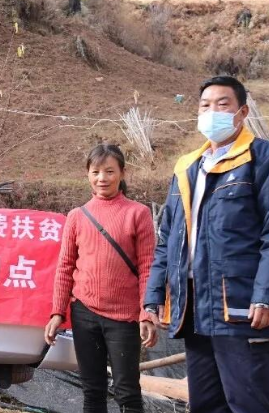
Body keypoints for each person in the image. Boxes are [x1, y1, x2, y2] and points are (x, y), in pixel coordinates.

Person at [144, 75, 269, 413]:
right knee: (205, 403)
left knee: (248, 402)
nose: (212, 112)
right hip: (193, 306)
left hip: (240, 306)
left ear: (242, 112)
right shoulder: (187, 167)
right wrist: (154, 297)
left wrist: (266, 294)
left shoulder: (263, 159)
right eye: (205, 106)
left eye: (222, 104)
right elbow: (167, 240)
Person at [45, 144, 157, 413]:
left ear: (122, 173)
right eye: (95, 172)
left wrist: (147, 312)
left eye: (109, 171)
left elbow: (147, 268)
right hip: (85, 313)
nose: (102, 178)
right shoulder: (77, 216)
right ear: (87, 174)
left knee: (127, 392)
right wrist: (58, 312)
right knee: (92, 390)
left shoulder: (138, 213)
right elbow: (65, 267)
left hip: (124, 317)